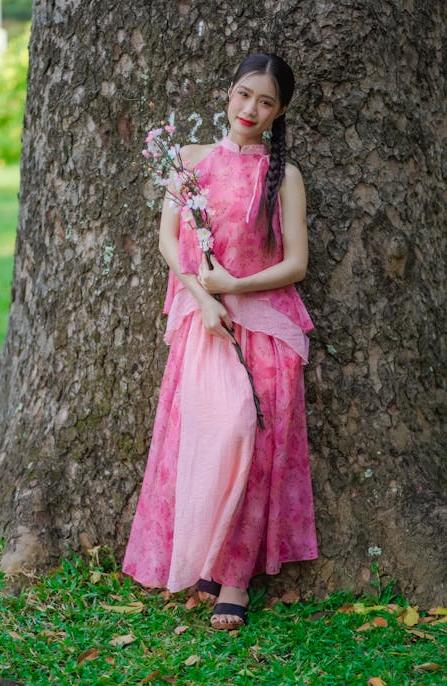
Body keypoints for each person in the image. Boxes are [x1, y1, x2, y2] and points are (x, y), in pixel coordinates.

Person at [123, 53, 318, 630]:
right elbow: (168, 238)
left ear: (279, 112)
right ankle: (203, 558)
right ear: (228, 94)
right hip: (204, 322)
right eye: (243, 94)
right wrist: (207, 300)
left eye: (265, 101)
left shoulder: (283, 175)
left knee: (248, 442)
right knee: (204, 444)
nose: (250, 109)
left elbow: (298, 263)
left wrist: (235, 285)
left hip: (265, 326)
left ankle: (234, 579)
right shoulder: (188, 163)